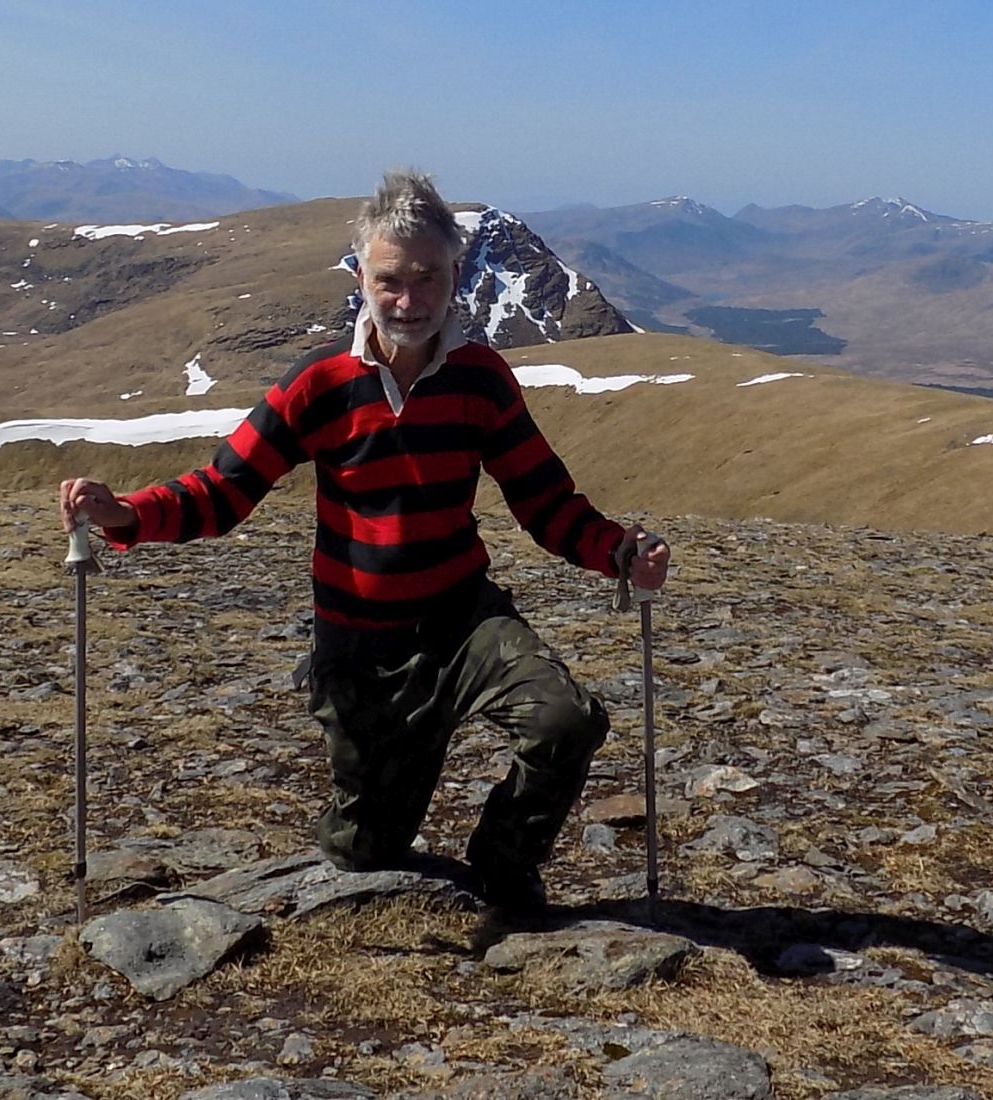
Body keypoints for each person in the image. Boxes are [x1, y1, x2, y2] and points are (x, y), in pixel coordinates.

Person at [59, 168, 669, 911]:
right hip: (358, 651)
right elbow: (222, 493)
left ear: (456, 275)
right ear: (361, 275)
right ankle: (376, 824)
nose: (409, 300)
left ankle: (505, 871)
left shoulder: (481, 381)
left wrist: (619, 551)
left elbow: (546, 502)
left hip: (462, 621)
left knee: (564, 721)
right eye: (390, 280)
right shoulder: (318, 384)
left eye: (427, 278)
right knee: (368, 849)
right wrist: (124, 515)